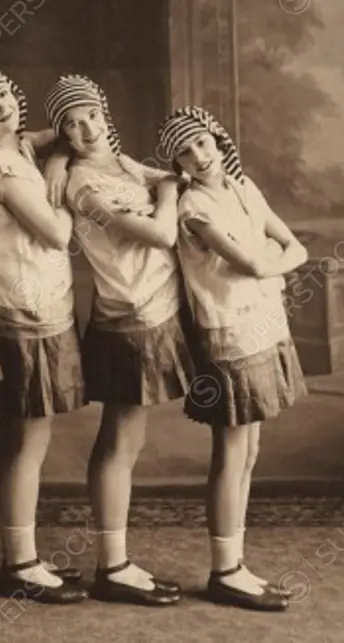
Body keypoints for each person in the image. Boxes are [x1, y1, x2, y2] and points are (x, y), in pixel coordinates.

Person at [43, 74, 189, 606]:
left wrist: (167, 184)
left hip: (153, 310)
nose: (85, 130)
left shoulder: (123, 165)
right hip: (128, 316)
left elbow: (172, 175)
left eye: (91, 118)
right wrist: (168, 192)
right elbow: (161, 233)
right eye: (70, 125)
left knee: (131, 440)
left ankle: (117, 560)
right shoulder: (83, 185)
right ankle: (113, 566)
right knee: (119, 440)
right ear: (61, 134)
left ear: (106, 117)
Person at [0, 57, 87, 604]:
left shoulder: (15, 146)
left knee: (18, 434)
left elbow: (62, 127)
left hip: (29, 304)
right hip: (28, 311)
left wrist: (55, 154)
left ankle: (16, 551)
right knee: (29, 437)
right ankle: (21, 564)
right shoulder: (0, 164)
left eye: (1, 96)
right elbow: (55, 233)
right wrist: (70, 190)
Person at [158, 106, 306, 611]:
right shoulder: (192, 209)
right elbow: (248, 261)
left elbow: (295, 249)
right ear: (177, 162)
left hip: (264, 324)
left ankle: (236, 564)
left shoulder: (244, 189)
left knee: (252, 450)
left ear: (218, 140)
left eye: (202, 142)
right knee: (232, 450)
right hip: (227, 334)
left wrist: (272, 263)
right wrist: (271, 263)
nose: (198, 156)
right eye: (185, 150)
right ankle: (223, 570)